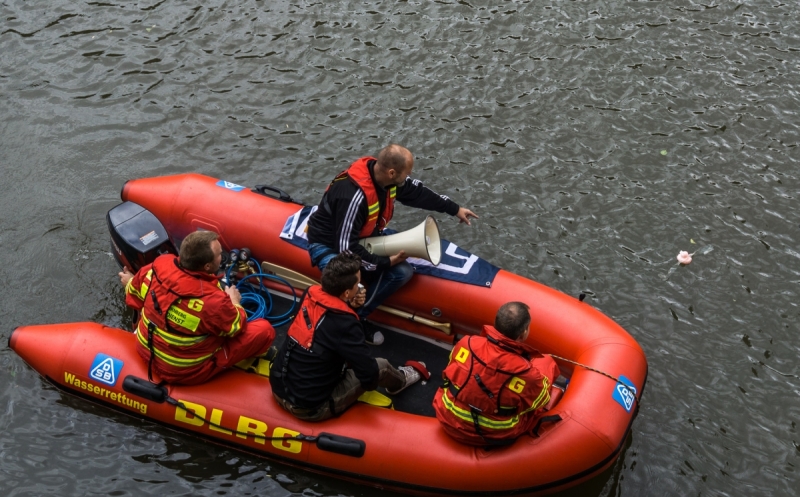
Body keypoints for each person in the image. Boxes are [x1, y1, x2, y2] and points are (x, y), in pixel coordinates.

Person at [306, 144, 478, 344]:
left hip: (359, 240)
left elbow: (420, 193)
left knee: (403, 272)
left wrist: (455, 209)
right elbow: (346, 250)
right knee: (353, 286)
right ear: (391, 172)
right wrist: (385, 262)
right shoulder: (352, 195)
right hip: (329, 246)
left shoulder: (387, 180)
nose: (409, 176)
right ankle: (349, 322)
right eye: (407, 173)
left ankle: (359, 313)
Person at [270, 253, 428, 422]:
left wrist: (349, 306)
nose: (360, 287)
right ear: (346, 292)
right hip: (311, 407)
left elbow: (326, 329)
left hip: (278, 389)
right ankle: (400, 382)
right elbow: (369, 376)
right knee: (380, 366)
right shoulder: (347, 324)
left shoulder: (309, 294)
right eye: (358, 283)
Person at [119, 231, 275, 385]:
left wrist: (130, 280)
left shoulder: (154, 270)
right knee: (264, 330)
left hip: (145, 351)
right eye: (220, 255)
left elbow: (134, 294)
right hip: (186, 372)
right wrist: (234, 301)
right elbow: (236, 327)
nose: (222, 257)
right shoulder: (213, 302)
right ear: (207, 266)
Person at [432, 302, 560, 447]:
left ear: (495, 324)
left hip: (447, 418)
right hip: (494, 435)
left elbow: (448, 373)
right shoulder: (528, 374)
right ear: (523, 333)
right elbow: (540, 402)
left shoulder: (466, 343)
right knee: (547, 362)